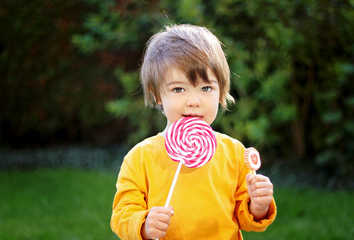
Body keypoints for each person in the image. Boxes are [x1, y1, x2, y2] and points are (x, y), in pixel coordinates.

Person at [110, 24, 276, 240]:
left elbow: (246, 219)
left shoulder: (234, 154)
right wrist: (144, 226)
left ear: (221, 91)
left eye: (206, 88)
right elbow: (122, 214)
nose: (194, 101)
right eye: (178, 89)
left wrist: (259, 205)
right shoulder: (140, 158)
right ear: (158, 95)